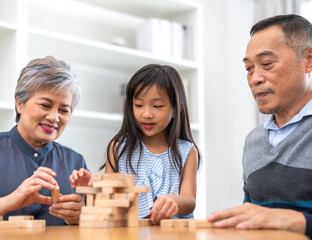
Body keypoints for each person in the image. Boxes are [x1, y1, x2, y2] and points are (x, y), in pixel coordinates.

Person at [0, 56, 90, 229]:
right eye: (45, 105)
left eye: (63, 110)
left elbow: (99, 224)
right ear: (19, 103)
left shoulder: (75, 162)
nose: (54, 117)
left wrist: (82, 216)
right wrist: (10, 201)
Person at [207, 14, 312, 237]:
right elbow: (251, 216)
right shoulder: (253, 141)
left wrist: (295, 220)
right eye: (249, 68)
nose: (255, 79)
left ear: (309, 60)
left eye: (266, 64)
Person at [103, 63, 200, 224]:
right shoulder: (118, 148)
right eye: (138, 105)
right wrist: (92, 185)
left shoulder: (187, 151)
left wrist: (174, 201)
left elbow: (190, 201)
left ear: (176, 109)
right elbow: (107, 196)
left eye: (157, 106)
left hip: (172, 235)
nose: (146, 114)